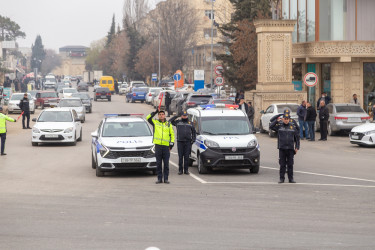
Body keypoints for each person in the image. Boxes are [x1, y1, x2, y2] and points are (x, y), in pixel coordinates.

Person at [269, 109, 300, 183]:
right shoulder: (279, 126)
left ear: (289, 119)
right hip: (282, 148)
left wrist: (297, 147)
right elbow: (271, 126)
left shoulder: (292, 126)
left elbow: (297, 138)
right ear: (283, 119)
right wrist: (277, 120)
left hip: (290, 148)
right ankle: (281, 178)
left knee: (290, 165)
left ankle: (291, 179)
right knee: (282, 164)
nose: (286, 120)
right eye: (285, 119)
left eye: (287, 119)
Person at [147, 108, 175, 184]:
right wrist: (155, 112)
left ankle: (166, 179)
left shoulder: (168, 124)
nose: (161, 116)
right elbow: (148, 118)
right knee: (158, 164)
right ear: (158, 116)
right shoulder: (155, 122)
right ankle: (159, 178)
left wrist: (171, 144)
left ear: (164, 115)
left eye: (162, 114)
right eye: (160, 114)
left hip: (166, 147)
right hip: (158, 146)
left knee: (166, 164)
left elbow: (172, 135)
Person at [169, 111, 196, 175]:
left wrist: (193, 139)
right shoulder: (178, 122)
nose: (184, 117)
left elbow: (194, 132)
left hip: (188, 142)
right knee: (180, 157)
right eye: (183, 115)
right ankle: (180, 170)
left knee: (186, 157)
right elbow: (170, 121)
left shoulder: (190, 123)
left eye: (185, 115)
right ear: (181, 116)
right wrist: (176, 116)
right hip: (180, 142)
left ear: (187, 116)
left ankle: (186, 170)